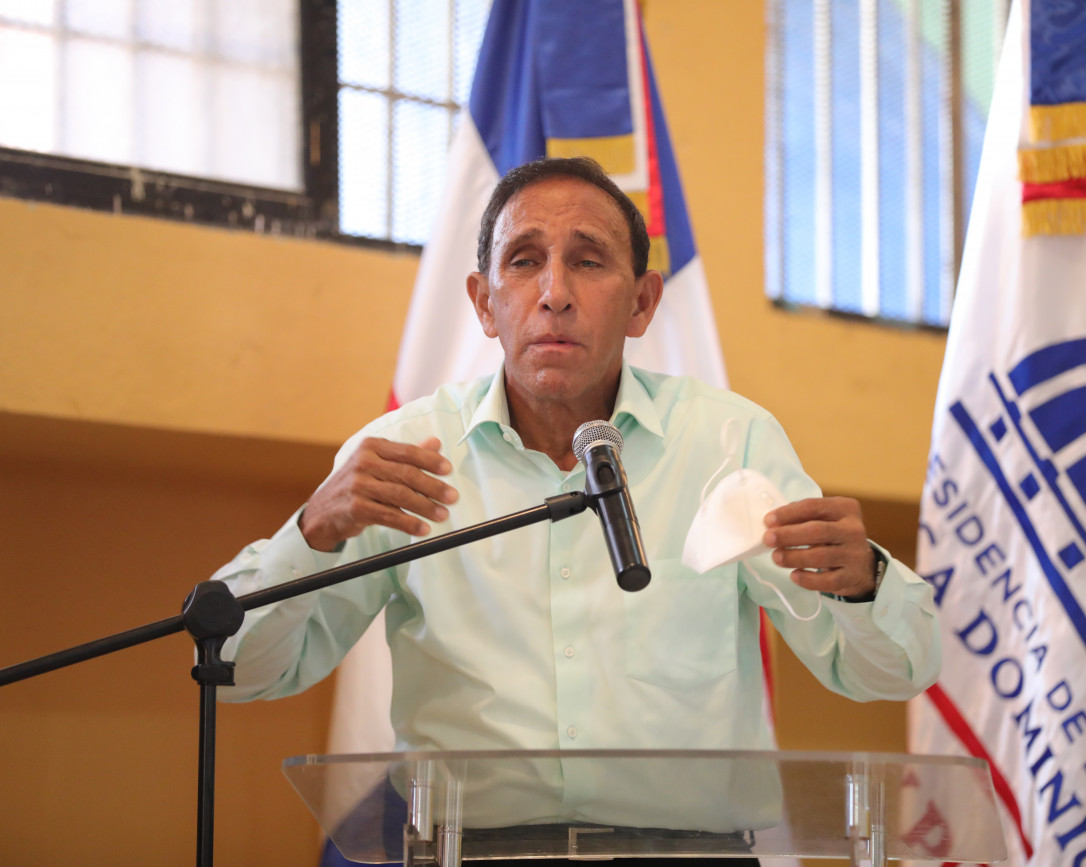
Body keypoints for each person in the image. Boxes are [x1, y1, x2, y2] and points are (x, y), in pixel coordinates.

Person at [212, 156, 939, 842]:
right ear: (484, 302)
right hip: (470, 851)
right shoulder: (404, 455)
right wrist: (310, 533)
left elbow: (891, 669)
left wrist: (864, 582)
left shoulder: (727, 442)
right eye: (524, 260)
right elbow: (239, 670)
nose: (554, 292)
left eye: (588, 261)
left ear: (642, 303)